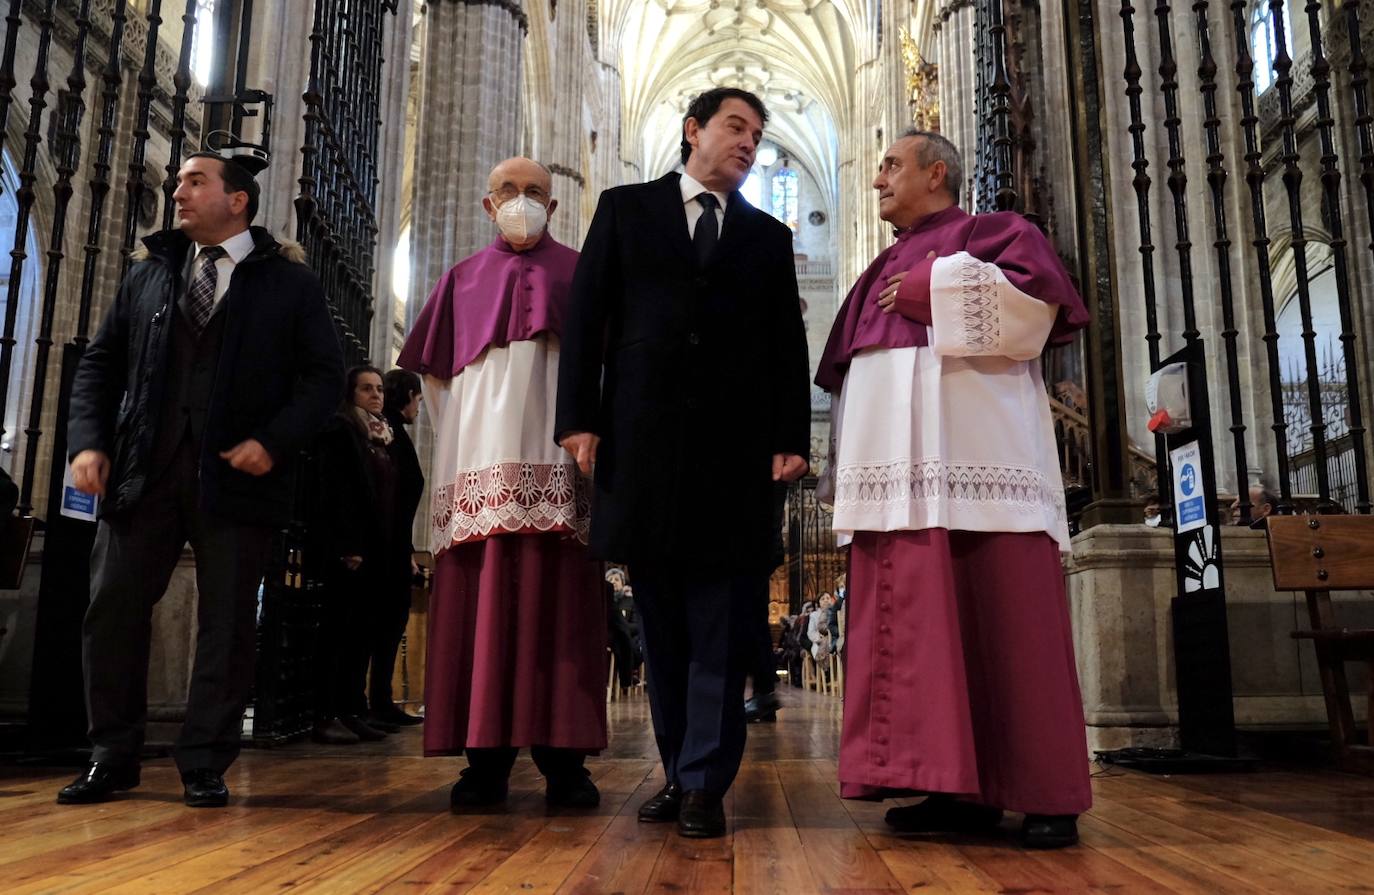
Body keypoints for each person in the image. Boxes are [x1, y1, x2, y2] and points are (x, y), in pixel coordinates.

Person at [815, 130, 1092, 848]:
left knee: (1010, 625)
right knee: (920, 635)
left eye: (891, 166)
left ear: (937, 174)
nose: (878, 180)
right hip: (897, 487)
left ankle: (1042, 791)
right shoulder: (877, 262)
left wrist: (926, 289)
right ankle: (948, 785)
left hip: (984, 471)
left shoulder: (996, 233)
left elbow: (1035, 315)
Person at [555, 87, 811, 839]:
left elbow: (785, 348)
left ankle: (703, 781)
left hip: (735, 456)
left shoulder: (768, 236)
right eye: (736, 127)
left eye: (758, 136)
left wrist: (790, 435)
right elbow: (586, 318)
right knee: (663, 625)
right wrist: (577, 419)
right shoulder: (625, 208)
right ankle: (680, 767)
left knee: (721, 621)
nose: (749, 143)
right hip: (641, 443)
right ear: (693, 130)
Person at [59, 151, 344, 806]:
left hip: (237, 481)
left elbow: (322, 379)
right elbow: (100, 365)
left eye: (194, 181)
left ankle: (205, 759)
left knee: (228, 622)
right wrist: (88, 443)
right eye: (178, 181)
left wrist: (272, 442)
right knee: (113, 611)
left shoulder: (288, 284)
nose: (177, 190)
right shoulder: (151, 274)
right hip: (142, 474)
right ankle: (111, 753)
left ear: (236, 200)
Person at [398, 157, 606, 810]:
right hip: (481, 471)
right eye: (510, 192)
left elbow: (604, 372)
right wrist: (469, 450)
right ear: (488, 205)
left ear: (556, 204)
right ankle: (483, 761)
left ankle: (564, 761)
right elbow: (435, 381)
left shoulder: (584, 275)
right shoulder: (460, 281)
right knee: (481, 613)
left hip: (559, 469)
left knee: (561, 616)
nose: (524, 201)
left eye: (536, 192)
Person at [310, 366, 398, 745]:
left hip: (375, 548)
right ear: (350, 394)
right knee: (338, 633)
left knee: (361, 634)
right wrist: (348, 544)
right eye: (366, 389)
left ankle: (350, 710)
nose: (375, 395)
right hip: (350, 548)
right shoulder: (341, 430)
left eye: (379, 389)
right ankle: (326, 713)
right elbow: (338, 491)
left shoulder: (380, 436)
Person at [371, 368, 425, 727]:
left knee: (389, 623)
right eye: (418, 399)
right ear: (405, 394)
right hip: (386, 546)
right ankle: (375, 702)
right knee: (383, 623)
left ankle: (380, 700)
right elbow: (394, 497)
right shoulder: (387, 433)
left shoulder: (395, 431)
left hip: (396, 544)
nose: (419, 407)